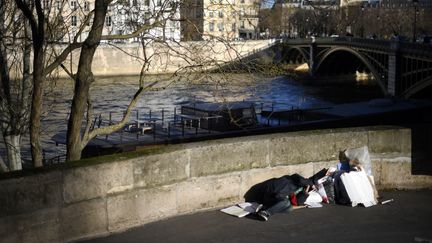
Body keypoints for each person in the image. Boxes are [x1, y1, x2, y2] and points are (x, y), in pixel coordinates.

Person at [246, 174, 313, 221]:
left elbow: (294, 204)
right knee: (286, 203)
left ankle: (266, 208)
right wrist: (307, 188)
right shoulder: (289, 185)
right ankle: (265, 212)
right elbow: (279, 196)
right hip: (263, 196)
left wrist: (303, 206)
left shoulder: (288, 181)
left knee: (289, 209)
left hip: (268, 195)